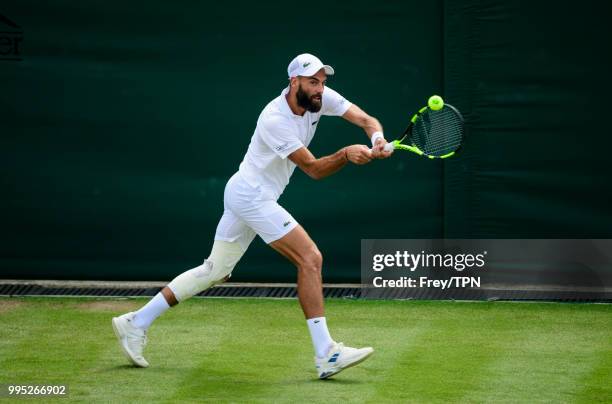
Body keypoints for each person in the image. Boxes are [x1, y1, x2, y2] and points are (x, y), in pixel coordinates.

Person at [112, 53, 392, 379]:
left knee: (214, 270)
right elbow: (314, 170)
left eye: (322, 82)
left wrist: (377, 140)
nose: (320, 89)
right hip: (252, 196)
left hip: (245, 192)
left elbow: (365, 119)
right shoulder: (275, 119)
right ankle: (326, 353)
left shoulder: (319, 99)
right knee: (310, 258)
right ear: (294, 82)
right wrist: (345, 154)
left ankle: (135, 322)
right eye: (313, 82)